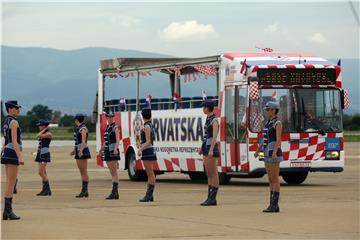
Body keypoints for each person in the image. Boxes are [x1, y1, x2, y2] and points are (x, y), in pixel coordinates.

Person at [254, 101, 283, 213]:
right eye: (266, 109)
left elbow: (278, 139)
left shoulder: (277, 123)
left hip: (273, 152)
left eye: (268, 109)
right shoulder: (267, 123)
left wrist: (275, 151)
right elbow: (264, 139)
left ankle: (274, 204)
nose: (267, 111)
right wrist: (257, 150)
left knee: (275, 178)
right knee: (270, 179)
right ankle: (272, 204)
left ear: (274, 110)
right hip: (266, 152)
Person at [1, 100, 23, 220]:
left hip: (6, 152)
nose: (18, 110)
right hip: (12, 152)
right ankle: (8, 211)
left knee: (9, 182)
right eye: (16, 108)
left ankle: (6, 212)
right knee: (11, 182)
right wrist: (19, 156)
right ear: (10, 109)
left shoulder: (6, 121)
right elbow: (14, 141)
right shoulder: (13, 122)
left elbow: (5, 140)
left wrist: (2, 152)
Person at [199, 100, 220, 206]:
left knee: (213, 173)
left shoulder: (214, 120)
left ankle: (213, 197)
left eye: (204, 107)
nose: (203, 109)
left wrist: (211, 149)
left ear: (208, 108)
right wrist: (201, 147)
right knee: (208, 173)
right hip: (206, 147)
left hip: (211, 148)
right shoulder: (208, 119)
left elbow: (214, 137)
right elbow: (206, 136)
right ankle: (209, 196)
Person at [138, 108, 157, 202]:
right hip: (148, 150)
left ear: (142, 116)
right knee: (150, 173)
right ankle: (150, 194)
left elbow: (148, 141)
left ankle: (149, 194)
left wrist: (140, 149)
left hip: (147, 150)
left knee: (150, 173)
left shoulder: (147, 126)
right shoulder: (150, 125)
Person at [70, 114, 91, 198]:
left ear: (76, 120)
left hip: (83, 150)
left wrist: (81, 150)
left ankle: (84, 191)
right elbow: (77, 142)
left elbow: (83, 142)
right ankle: (84, 191)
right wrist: (74, 150)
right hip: (79, 150)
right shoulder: (78, 128)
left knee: (84, 171)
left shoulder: (83, 129)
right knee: (82, 171)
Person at [100, 112, 120, 200]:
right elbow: (106, 141)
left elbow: (118, 140)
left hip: (112, 151)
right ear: (106, 117)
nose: (111, 118)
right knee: (112, 172)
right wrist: (101, 150)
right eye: (109, 116)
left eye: (112, 116)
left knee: (114, 172)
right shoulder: (107, 128)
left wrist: (115, 149)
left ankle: (114, 192)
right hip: (108, 150)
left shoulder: (115, 127)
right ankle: (115, 193)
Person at [34, 119, 52, 196]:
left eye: (40, 126)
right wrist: (44, 129)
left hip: (44, 154)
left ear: (44, 126)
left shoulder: (48, 134)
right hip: (40, 154)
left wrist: (45, 129)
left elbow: (37, 135)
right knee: (43, 172)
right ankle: (46, 190)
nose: (39, 127)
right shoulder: (45, 133)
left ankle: (47, 189)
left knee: (40, 172)